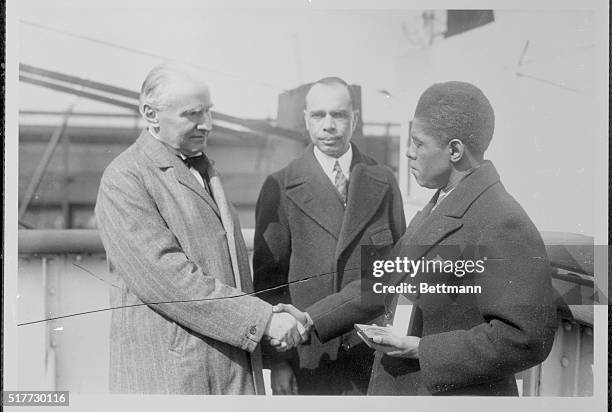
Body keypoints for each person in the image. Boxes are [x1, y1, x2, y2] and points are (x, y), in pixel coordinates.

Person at [94, 62, 303, 394]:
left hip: (225, 375)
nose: (207, 125)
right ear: (150, 114)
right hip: (171, 381)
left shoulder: (204, 169)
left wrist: (273, 349)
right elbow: (169, 281)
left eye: (209, 112)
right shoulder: (125, 177)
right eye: (192, 114)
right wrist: (264, 321)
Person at [367, 81, 557, 396]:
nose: (408, 153)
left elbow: (527, 336)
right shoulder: (443, 200)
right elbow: (384, 277)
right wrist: (308, 319)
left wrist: (422, 349)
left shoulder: (503, 220)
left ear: (454, 150)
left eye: (418, 143)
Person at [253, 77, 406, 395]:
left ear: (355, 119)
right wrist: (279, 362)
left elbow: (396, 272)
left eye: (338, 115)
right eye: (318, 115)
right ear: (305, 119)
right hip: (310, 358)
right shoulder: (280, 186)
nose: (328, 126)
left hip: (372, 355)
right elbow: (269, 284)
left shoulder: (383, 181)